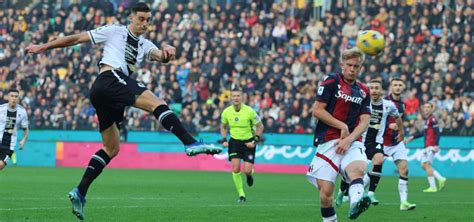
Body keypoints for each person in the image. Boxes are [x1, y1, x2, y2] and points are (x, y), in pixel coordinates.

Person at [25, 3, 222, 220]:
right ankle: (190, 142)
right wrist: (43, 47)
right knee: (157, 103)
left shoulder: (145, 44)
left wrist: (167, 51)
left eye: (148, 20)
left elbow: (160, 56)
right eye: (141, 19)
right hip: (109, 79)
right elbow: (75, 38)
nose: (145, 24)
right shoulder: (114, 31)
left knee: (111, 148)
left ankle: (80, 191)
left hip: (106, 94)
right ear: (131, 18)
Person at [306, 47, 372, 221]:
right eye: (349, 65)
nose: (352, 69)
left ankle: (356, 202)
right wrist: (341, 126)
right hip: (328, 141)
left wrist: (349, 138)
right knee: (326, 195)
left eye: (356, 66)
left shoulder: (364, 90)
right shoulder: (332, 80)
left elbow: (365, 121)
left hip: (352, 141)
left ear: (360, 68)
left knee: (357, 170)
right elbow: (317, 110)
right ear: (342, 65)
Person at [335, 79, 404, 206]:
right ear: (368, 90)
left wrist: (401, 132)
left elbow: (397, 117)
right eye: (371, 88)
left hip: (375, 142)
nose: (374, 90)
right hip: (359, 141)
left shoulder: (388, 105)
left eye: (376, 88)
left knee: (378, 159)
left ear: (381, 90)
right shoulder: (361, 103)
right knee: (352, 173)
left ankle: (371, 192)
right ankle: (341, 192)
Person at [220, 87, 264, 203]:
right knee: (235, 168)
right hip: (234, 142)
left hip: (248, 142)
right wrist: (224, 139)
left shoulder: (250, 111)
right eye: (234, 96)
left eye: (238, 96)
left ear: (242, 97)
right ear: (231, 98)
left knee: (247, 170)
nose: (236, 98)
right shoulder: (226, 112)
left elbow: (260, 126)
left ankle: (249, 176)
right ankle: (241, 195)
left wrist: (254, 141)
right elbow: (223, 126)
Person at [382, 78, 416, 211]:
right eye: (395, 85)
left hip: (397, 142)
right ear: (391, 87)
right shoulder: (383, 102)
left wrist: (403, 135)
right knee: (374, 172)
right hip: (383, 142)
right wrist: (387, 125)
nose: (397, 87)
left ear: (403, 87)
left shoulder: (402, 105)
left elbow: (400, 123)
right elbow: (373, 121)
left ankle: (404, 202)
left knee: (404, 169)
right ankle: (356, 192)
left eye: (399, 85)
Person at [405, 102, 447, 192]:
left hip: (431, 146)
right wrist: (413, 137)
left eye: (428, 107)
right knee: (423, 165)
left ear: (432, 109)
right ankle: (440, 179)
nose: (426, 109)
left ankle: (433, 187)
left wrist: (436, 144)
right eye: (425, 107)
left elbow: (438, 132)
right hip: (427, 146)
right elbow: (423, 133)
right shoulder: (427, 120)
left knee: (426, 165)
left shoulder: (432, 120)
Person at [0, 89, 29, 170]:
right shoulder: (1, 109)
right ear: (8, 97)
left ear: (18, 98)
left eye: (16, 96)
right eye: (12, 96)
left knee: (1, 166)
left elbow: (26, 129)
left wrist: (23, 140)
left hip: (9, 146)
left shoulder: (22, 112)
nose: (14, 98)